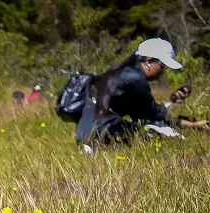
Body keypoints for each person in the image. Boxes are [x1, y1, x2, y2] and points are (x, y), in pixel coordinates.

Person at [76, 38, 208, 147]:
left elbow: (143, 113)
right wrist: (194, 125)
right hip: (99, 133)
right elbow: (154, 114)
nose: (163, 72)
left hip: (85, 134)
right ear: (149, 60)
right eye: (162, 66)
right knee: (165, 135)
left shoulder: (123, 73)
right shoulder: (136, 79)